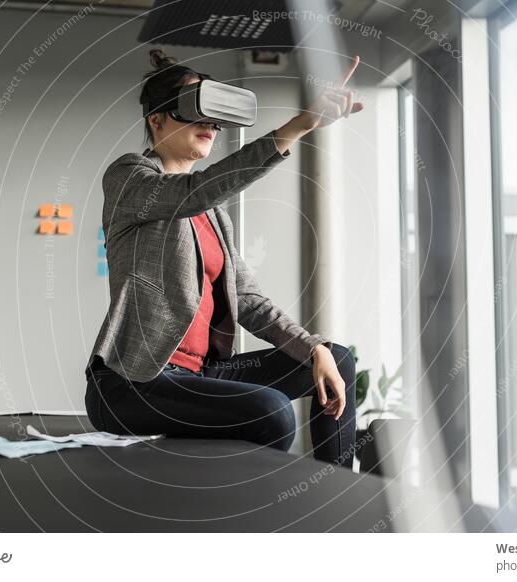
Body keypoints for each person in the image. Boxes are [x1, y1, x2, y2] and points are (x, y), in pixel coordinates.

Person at [85, 48, 364, 468]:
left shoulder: (213, 215)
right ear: (156, 119)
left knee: (334, 358)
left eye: (214, 116)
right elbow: (192, 191)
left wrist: (313, 347)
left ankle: (336, 498)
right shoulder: (129, 177)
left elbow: (249, 300)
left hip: (201, 375)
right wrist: (299, 126)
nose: (209, 125)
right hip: (136, 381)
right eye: (194, 111)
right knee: (271, 410)